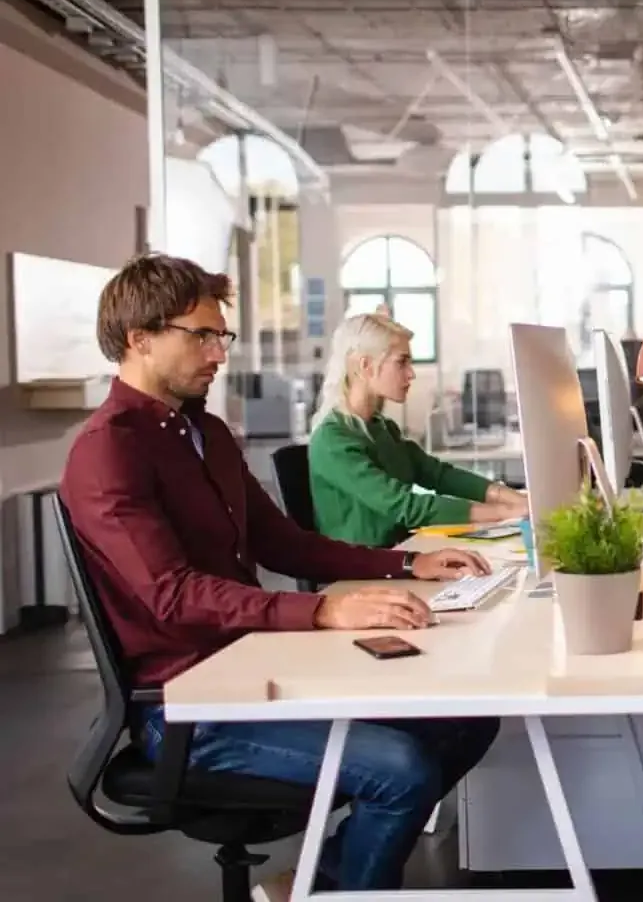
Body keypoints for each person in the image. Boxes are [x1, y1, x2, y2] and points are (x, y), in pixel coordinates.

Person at [59, 253, 502, 892]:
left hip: (251, 669)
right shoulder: (108, 449)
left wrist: (407, 563)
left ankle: (318, 882)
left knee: (467, 721)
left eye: (222, 335)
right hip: (189, 706)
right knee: (399, 771)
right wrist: (323, 610)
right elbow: (172, 595)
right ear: (140, 338)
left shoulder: (203, 431)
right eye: (201, 335)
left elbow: (285, 544)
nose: (219, 353)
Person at [308, 312, 528, 548]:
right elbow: (406, 506)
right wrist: (505, 512)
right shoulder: (333, 439)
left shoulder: (382, 428)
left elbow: (438, 474)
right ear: (366, 366)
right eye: (402, 362)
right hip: (361, 573)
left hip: (400, 556)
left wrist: (516, 500)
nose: (411, 373)